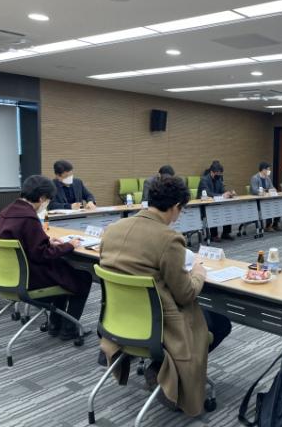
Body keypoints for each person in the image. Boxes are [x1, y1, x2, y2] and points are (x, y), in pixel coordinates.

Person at [99, 175, 232, 416]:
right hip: (158, 325)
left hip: (119, 321)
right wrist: (198, 273)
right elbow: (185, 294)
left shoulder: (111, 230)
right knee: (221, 323)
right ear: (175, 207)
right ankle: (163, 370)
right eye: (181, 210)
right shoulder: (169, 238)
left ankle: (163, 368)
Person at [0, 175, 92, 340]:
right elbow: (43, 254)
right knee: (83, 278)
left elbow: (22, 241)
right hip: (30, 278)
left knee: (65, 276)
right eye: (48, 200)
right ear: (42, 198)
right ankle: (69, 329)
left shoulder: (6, 212)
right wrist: (69, 245)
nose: (47, 204)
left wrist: (46, 240)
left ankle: (55, 325)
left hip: (8, 276)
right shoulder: (28, 217)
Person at [197, 161, 234, 242]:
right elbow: (208, 193)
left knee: (227, 209)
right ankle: (214, 235)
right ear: (211, 172)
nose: (219, 175)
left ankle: (225, 233)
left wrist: (228, 193)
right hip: (205, 206)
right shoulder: (204, 180)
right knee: (213, 210)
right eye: (217, 173)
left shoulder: (219, 179)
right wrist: (222, 196)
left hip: (216, 203)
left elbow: (222, 190)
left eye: (220, 173)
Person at [250, 162, 282, 232]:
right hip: (258, 200)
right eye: (268, 169)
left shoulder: (267, 178)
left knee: (277, 204)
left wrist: (273, 189)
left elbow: (272, 187)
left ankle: (275, 224)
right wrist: (263, 192)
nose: (269, 171)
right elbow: (254, 190)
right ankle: (268, 226)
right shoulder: (255, 178)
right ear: (263, 170)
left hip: (267, 198)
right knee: (269, 205)